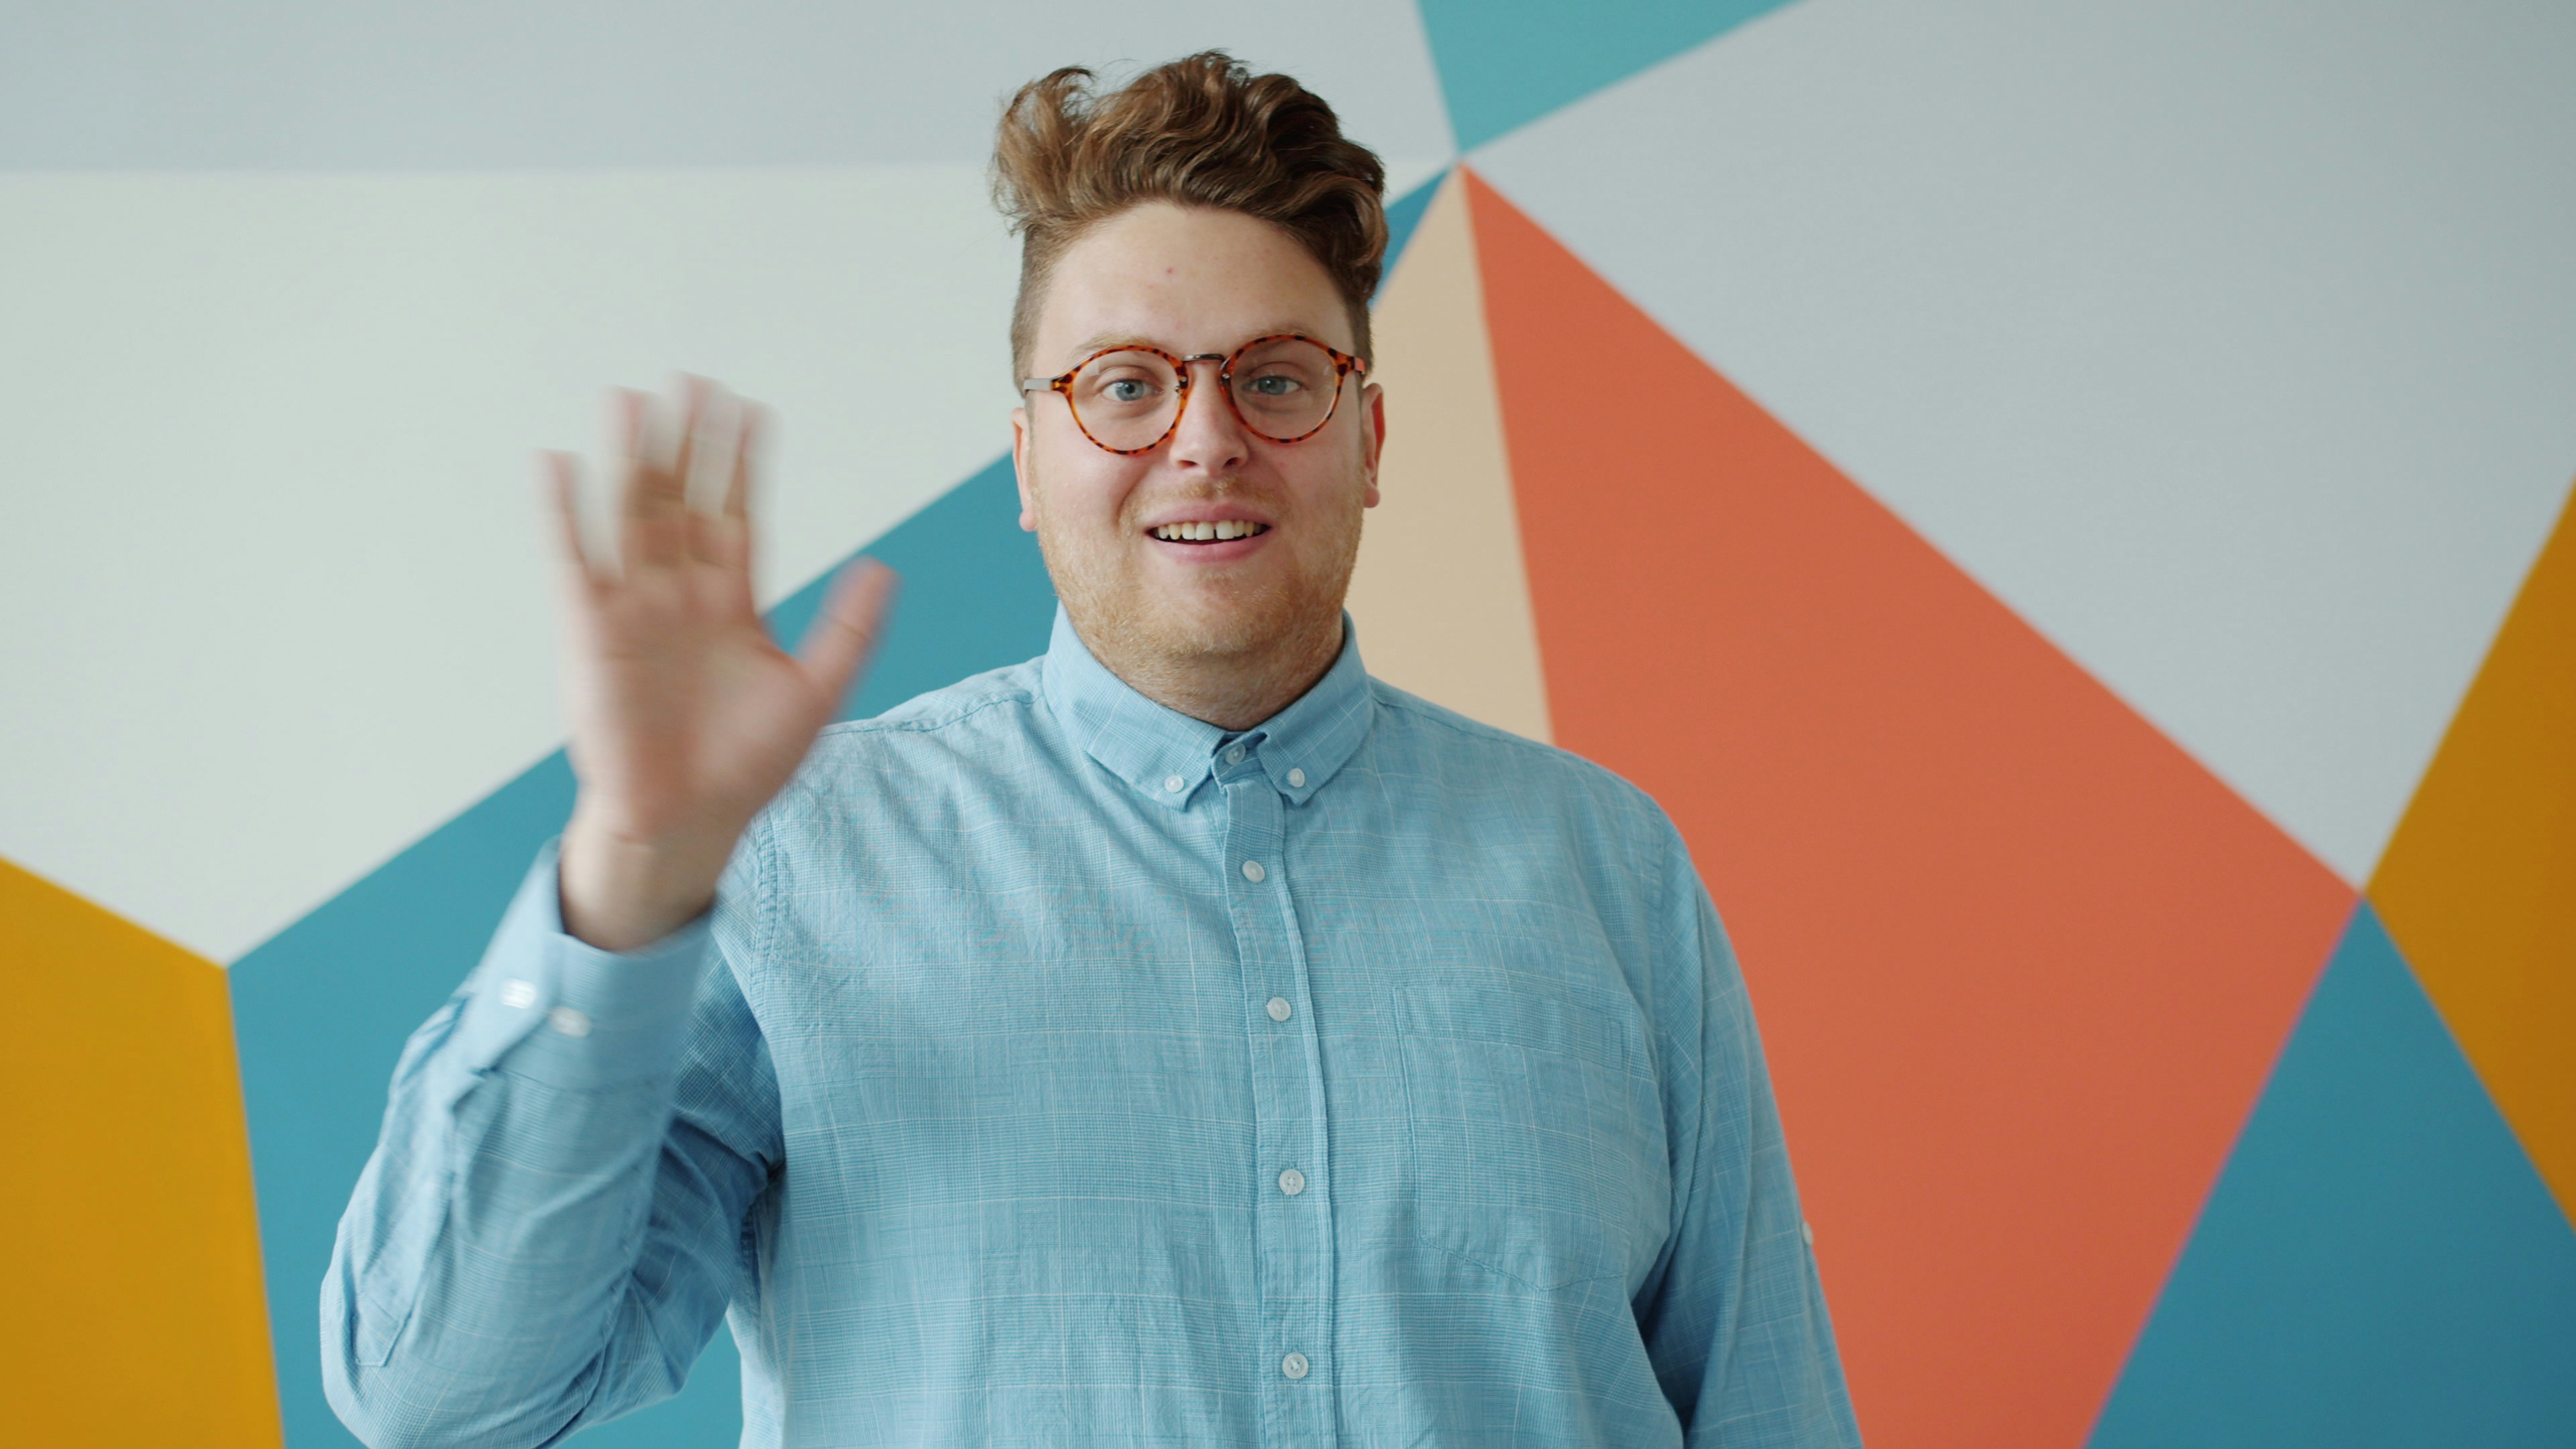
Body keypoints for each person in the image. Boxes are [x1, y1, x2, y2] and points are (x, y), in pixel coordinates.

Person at [323, 52, 1861, 1448]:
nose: (1204, 438)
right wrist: (632, 872)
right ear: (1028, 459)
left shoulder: (1610, 872)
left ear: (1368, 439)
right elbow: (439, 1395)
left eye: (1276, 377)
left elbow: (1767, 1413)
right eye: (1125, 384)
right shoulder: (793, 860)